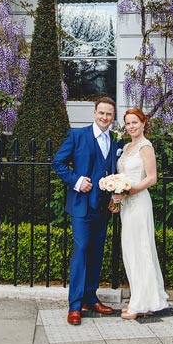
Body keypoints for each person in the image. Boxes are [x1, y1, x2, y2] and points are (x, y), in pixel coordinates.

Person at [51, 96, 119, 325]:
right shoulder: (77, 136)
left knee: (97, 252)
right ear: (94, 113)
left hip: (102, 206)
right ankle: (75, 305)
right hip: (82, 206)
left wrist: (113, 196)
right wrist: (77, 181)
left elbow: (110, 171)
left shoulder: (114, 140)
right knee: (81, 250)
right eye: (101, 113)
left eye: (109, 114)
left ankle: (91, 297)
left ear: (113, 117)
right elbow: (58, 163)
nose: (104, 117)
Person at [111, 107, 169, 319]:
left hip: (139, 203)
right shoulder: (126, 147)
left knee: (141, 249)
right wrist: (116, 193)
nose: (131, 127)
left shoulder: (146, 147)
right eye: (128, 123)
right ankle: (138, 298)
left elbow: (151, 178)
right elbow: (122, 176)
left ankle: (141, 304)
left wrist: (129, 192)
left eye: (135, 122)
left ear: (144, 123)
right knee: (130, 251)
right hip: (126, 205)